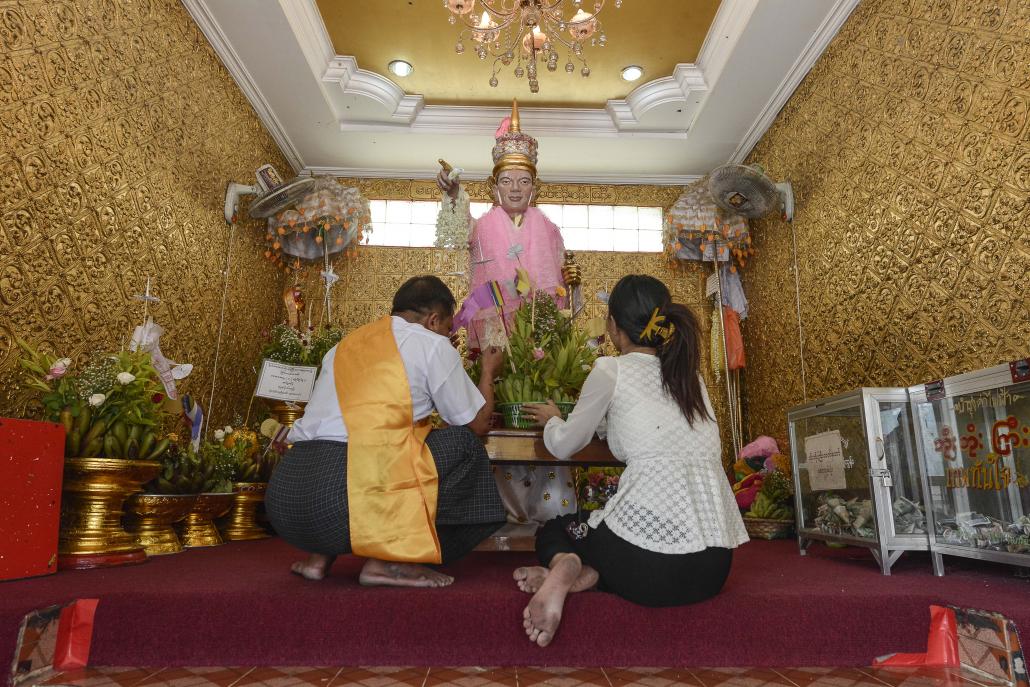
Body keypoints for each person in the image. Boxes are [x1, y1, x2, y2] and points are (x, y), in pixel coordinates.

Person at [517, 275, 749, 646]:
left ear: (613, 326)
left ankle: (567, 565)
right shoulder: (691, 378)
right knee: (624, 546)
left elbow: (564, 445)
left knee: (556, 529)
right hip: (711, 572)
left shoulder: (612, 369)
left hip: (646, 569)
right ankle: (593, 575)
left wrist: (553, 420)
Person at [265, 276, 507, 587]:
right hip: (344, 502)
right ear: (434, 320)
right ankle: (392, 562)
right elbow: (476, 424)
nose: (448, 335)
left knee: (382, 443)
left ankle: (318, 559)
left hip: (288, 499)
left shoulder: (343, 346)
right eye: (449, 328)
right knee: (462, 445)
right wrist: (488, 371)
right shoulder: (432, 344)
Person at [436, 99, 575, 528]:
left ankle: (548, 513)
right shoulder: (481, 226)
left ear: (535, 186)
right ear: (495, 187)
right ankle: (491, 512)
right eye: (508, 181)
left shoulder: (549, 230)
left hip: (537, 342)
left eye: (524, 181)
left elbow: (559, 291)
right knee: (493, 419)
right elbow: (456, 234)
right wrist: (454, 196)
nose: (516, 189)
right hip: (494, 340)